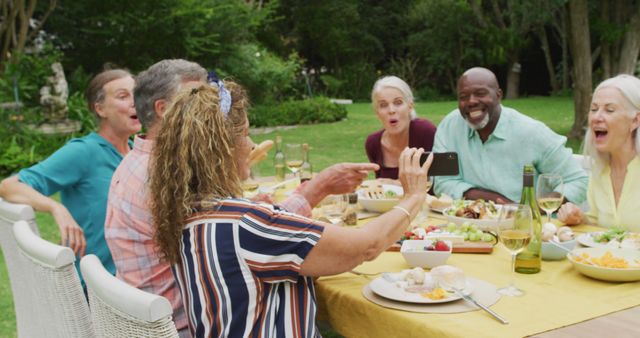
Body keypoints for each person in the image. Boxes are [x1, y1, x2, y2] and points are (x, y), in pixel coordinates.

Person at [104, 59, 379, 336]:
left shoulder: (140, 163)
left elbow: (243, 232)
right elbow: (247, 233)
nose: (208, 106)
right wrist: (314, 191)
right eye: (195, 98)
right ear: (164, 110)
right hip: (185, 326)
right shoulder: (163, 176)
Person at [148, 83, 432, 337]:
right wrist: (413, 195)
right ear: (220, 149)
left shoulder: (188, 213)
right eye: (245, 134)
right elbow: (366, 246)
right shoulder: (245, 223)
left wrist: (318, 188)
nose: (252, 144)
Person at [0, 69, 140, 279]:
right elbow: (9, 186)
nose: (134, 102)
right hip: (103, 289)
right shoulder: (84, 152)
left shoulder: (137, 153)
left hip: (139, 279)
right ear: (100, 109)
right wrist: (56, 208)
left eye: (137, 94)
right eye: (123, 96)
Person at [433, 67, 588, 204]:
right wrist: (493, 200)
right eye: (463, 96)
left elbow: (578, 181)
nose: (471, 102)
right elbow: (442, 182)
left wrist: (530, 209)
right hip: (463, 225)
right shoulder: (450, 126)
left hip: (524, 229)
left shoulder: (531, 132)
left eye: (480, 93)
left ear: (498, 95)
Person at [558, 75, 640, 231]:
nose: (596, 117)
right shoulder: (600, 170)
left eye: (609, 110)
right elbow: (598, 228)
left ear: (635, 121)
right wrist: (580, 218)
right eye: (594, 109)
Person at [365, 76, 437, 179]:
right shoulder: (373, 143)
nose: (391, 110)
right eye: (383, 105)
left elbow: (440, 182)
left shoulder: (425, 132)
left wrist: (394, 184)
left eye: (398, 103)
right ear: (377, 112)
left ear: (410, 106)